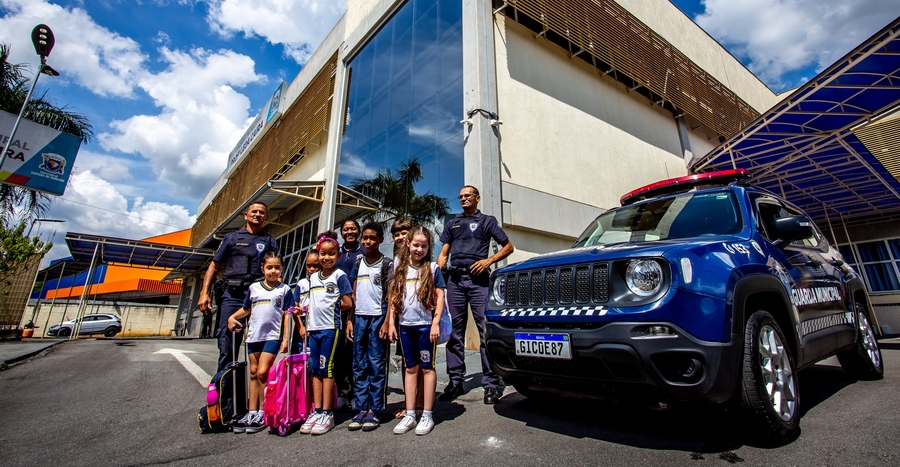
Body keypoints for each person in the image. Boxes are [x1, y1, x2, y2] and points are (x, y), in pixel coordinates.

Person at [437, 185, 514, 405]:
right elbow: (443, 254)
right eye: (460, 196)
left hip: (478, 281)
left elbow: (508, 247)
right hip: (455, 281)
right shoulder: (453, 223)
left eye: (467, 196)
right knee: (454, 333)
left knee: (484, 331)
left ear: (477, 198)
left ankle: (491, 384)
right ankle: (455, 381)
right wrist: (434, 278)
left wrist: (488, 261)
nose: (463, 199)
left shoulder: (487, 221)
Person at [198, 202, 278, 371]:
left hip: (258, 298)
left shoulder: (269, 241)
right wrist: (204, 293)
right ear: (246, 215)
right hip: (233, 296)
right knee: (228, 345)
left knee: (260, 347)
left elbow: (276, 270)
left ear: (266, 217)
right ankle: (224, 386)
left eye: (261, 212)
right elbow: (214, 266)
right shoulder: (231, 238)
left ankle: (256, 387)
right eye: (254, 211)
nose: (257, 214)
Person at [387, 225, 446, 436]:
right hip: (405, 327)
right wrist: (392, 323)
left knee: (427, 368)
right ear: (408, 244)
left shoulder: (432, 268)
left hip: (425, 327)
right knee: (410, 369)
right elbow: (394, 298)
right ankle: (410, 413)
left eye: (424, 246)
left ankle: (427, 414)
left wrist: (435, 323)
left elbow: (440, 296)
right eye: (415, 245)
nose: (419, 249)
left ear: (428, 247)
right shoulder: (400, 268)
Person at [226, 251, 293, 434]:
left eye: (277, 267)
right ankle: (252, 412)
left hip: (272, 336)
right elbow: (246, 309)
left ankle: (264, 412)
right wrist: (232, 317)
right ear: (263, 269)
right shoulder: (254, 288)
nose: (273, 271)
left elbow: (287, 314)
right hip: (254, 336)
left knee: (263, 372)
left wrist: (286, 338)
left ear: (282, 269)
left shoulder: (285, 290)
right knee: (253, 373)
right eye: (269, 267)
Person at [296, 232, 353, 436]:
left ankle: (327, 413)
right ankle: (317, 410)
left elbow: (348, 302)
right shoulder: (312, 278)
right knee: (315, 370)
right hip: (314, 328)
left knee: (327, 368)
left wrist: (333, 305)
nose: (326, 258)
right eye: (323, 253)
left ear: (338, 255)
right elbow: (310, 302)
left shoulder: (339, 276)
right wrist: (302, 311)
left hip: (330, 327)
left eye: (331, 254)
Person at [346, 222, 393, 431]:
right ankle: (361, 407)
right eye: (365, 238)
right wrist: (350, 320)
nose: (368, 241)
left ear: (380, 240)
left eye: (372, 238)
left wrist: (387, 321)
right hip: (359, 318)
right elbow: (353, 294)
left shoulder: (387, 264)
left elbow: (391, 295)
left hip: (377, 318)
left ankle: (375, 409)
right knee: (359, 363)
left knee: (376, 363)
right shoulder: (358, 263)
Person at [380, 218, 425, 418]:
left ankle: (421, 403)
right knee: (408, 362)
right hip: (403, 319)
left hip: (421, 319)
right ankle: (410, 404)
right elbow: (393, 293)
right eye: (396, 234)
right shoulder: (396, 260)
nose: (399, 237)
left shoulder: (421, 258)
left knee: (423, 364)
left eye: (403, 233)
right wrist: (389, 321)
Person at [334, 219, 364, 409]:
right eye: (346, 229)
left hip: (357, 308)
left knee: (353, 352)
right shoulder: (336, 253)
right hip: (337, 309)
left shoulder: (363, 252)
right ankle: (342, 392)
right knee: (339, 352)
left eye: (353, 228)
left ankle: (354, 393)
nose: (350, 232)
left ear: (358, 231)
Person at [291, 249, 321, 355]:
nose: (312, 269)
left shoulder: (324, 282)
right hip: (302, 321)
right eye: (308, 266)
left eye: (316, 265)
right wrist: (300, 327)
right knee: (299, 354)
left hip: (318, 321)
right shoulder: (301, 283)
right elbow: (295, 305)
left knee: (313, 355)